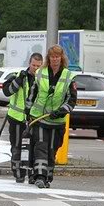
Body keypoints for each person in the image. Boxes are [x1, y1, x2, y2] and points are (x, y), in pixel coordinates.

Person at [25, 44, 77, 188]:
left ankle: (47, 176)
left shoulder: (68, 76)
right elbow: (32, 94)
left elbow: (72, 100)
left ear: (61, 58)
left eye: (57, 57)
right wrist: (27, 112)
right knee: (40, 147)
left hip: (57, 121)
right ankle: (40, 176)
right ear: (49, 58)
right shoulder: (40, 73)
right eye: (52, 57)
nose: (55, 59)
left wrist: (61, 111)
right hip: (40, 118)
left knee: (51, 150)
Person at [2, 53, 43, 183]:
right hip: (17, 119)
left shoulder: (43, 80)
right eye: (33, 65)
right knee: (17, 147)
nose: (35, 68)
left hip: (35, 119)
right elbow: (7, 91)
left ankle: (32, 175)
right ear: (29, 64)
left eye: (38, 66)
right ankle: (19, 173)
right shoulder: (18, 76)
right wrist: (19, 79)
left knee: (34, 148)